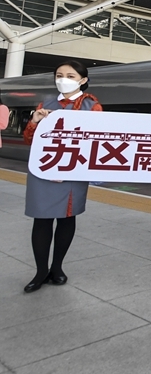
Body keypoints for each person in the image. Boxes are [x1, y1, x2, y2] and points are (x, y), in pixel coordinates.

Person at [21, 60, 103, 293]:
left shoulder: (92, 106)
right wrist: (34, 121)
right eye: (59, 75)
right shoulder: (45, 104)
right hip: (43, 170)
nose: (63, 80)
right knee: (41, 219)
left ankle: (57, 267)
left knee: (67, 219)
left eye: (70, 76)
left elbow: (96, 142)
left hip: (73, 172)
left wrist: (69, 169)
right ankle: (40, 271)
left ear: (83, 80)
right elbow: (29, 140)